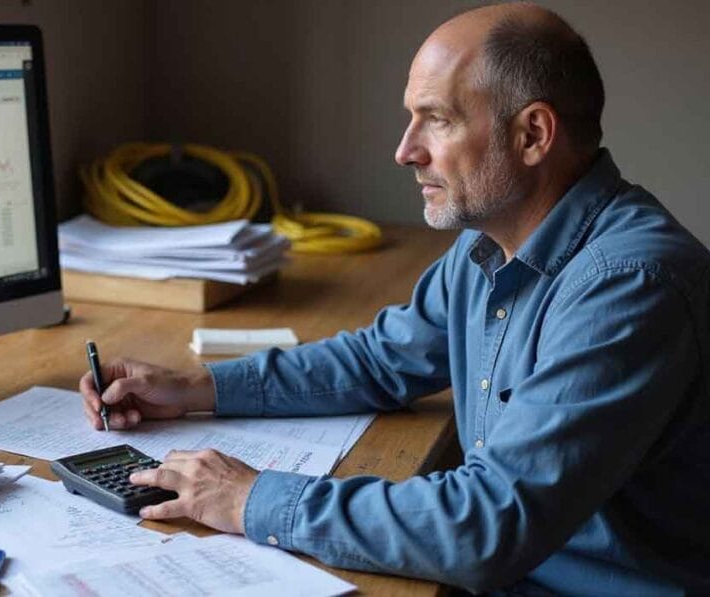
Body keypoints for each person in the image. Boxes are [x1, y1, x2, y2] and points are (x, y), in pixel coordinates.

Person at [79, 3, 710, 593]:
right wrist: (196, 390)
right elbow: (381, 359)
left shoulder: (627, 286)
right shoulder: (489, 245)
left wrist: (250, 500)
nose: (405, 150)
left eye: (436, 119)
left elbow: (488, 524)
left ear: (533, 134)